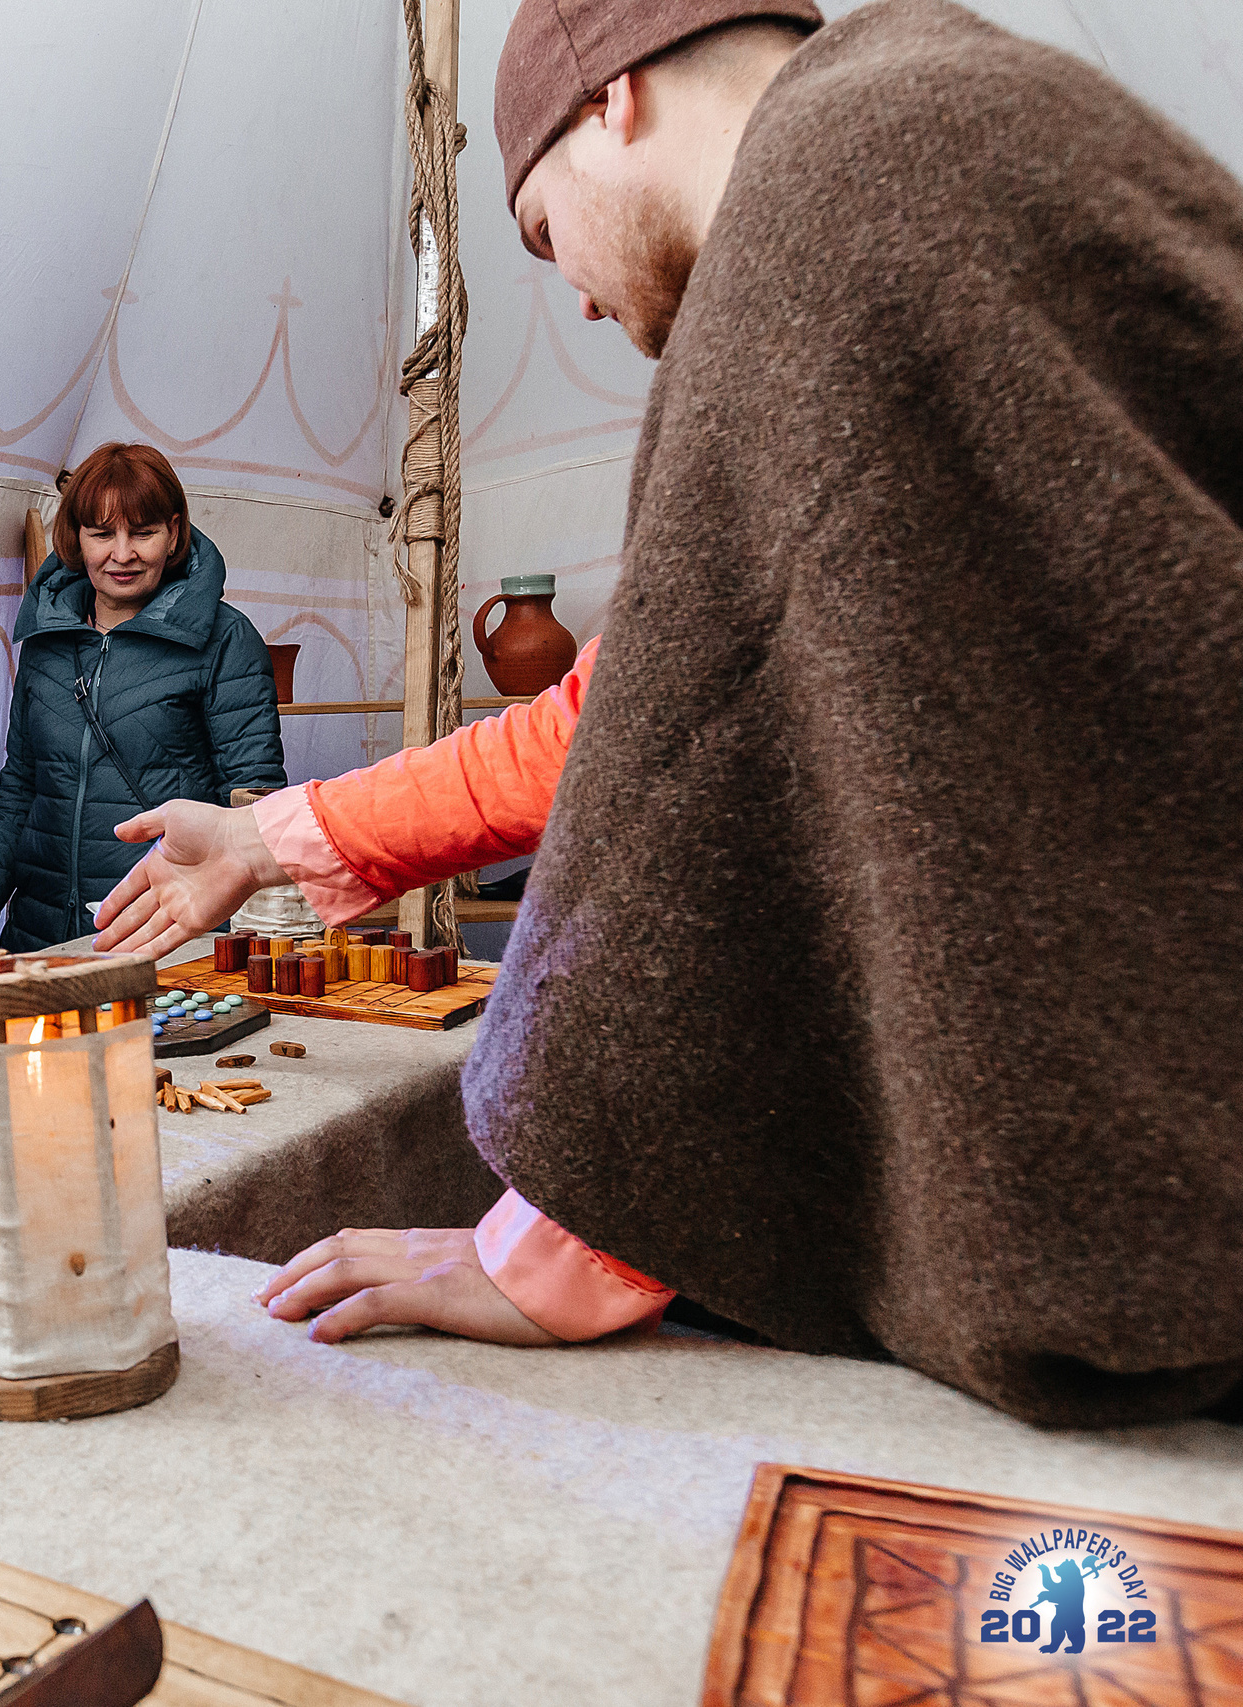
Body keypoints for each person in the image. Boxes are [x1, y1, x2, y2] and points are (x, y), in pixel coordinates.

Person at [99, 0, 1243, 1425]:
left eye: (541, 234)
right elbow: (622, 718)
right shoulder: (951, 110)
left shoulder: (816, 212)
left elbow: (687, 773)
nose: (576, 299)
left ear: (612, 95)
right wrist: (271, 836)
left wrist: (573, 1236)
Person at [0, 442, 286, 953]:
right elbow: (23, 785)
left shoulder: (224, 639)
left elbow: (253, 801)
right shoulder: (46, 640)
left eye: (143, 533)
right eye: (102, 534)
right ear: (76, 536)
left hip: (164, 931)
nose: (122, 554)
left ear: (174, 532)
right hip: (42, 935)